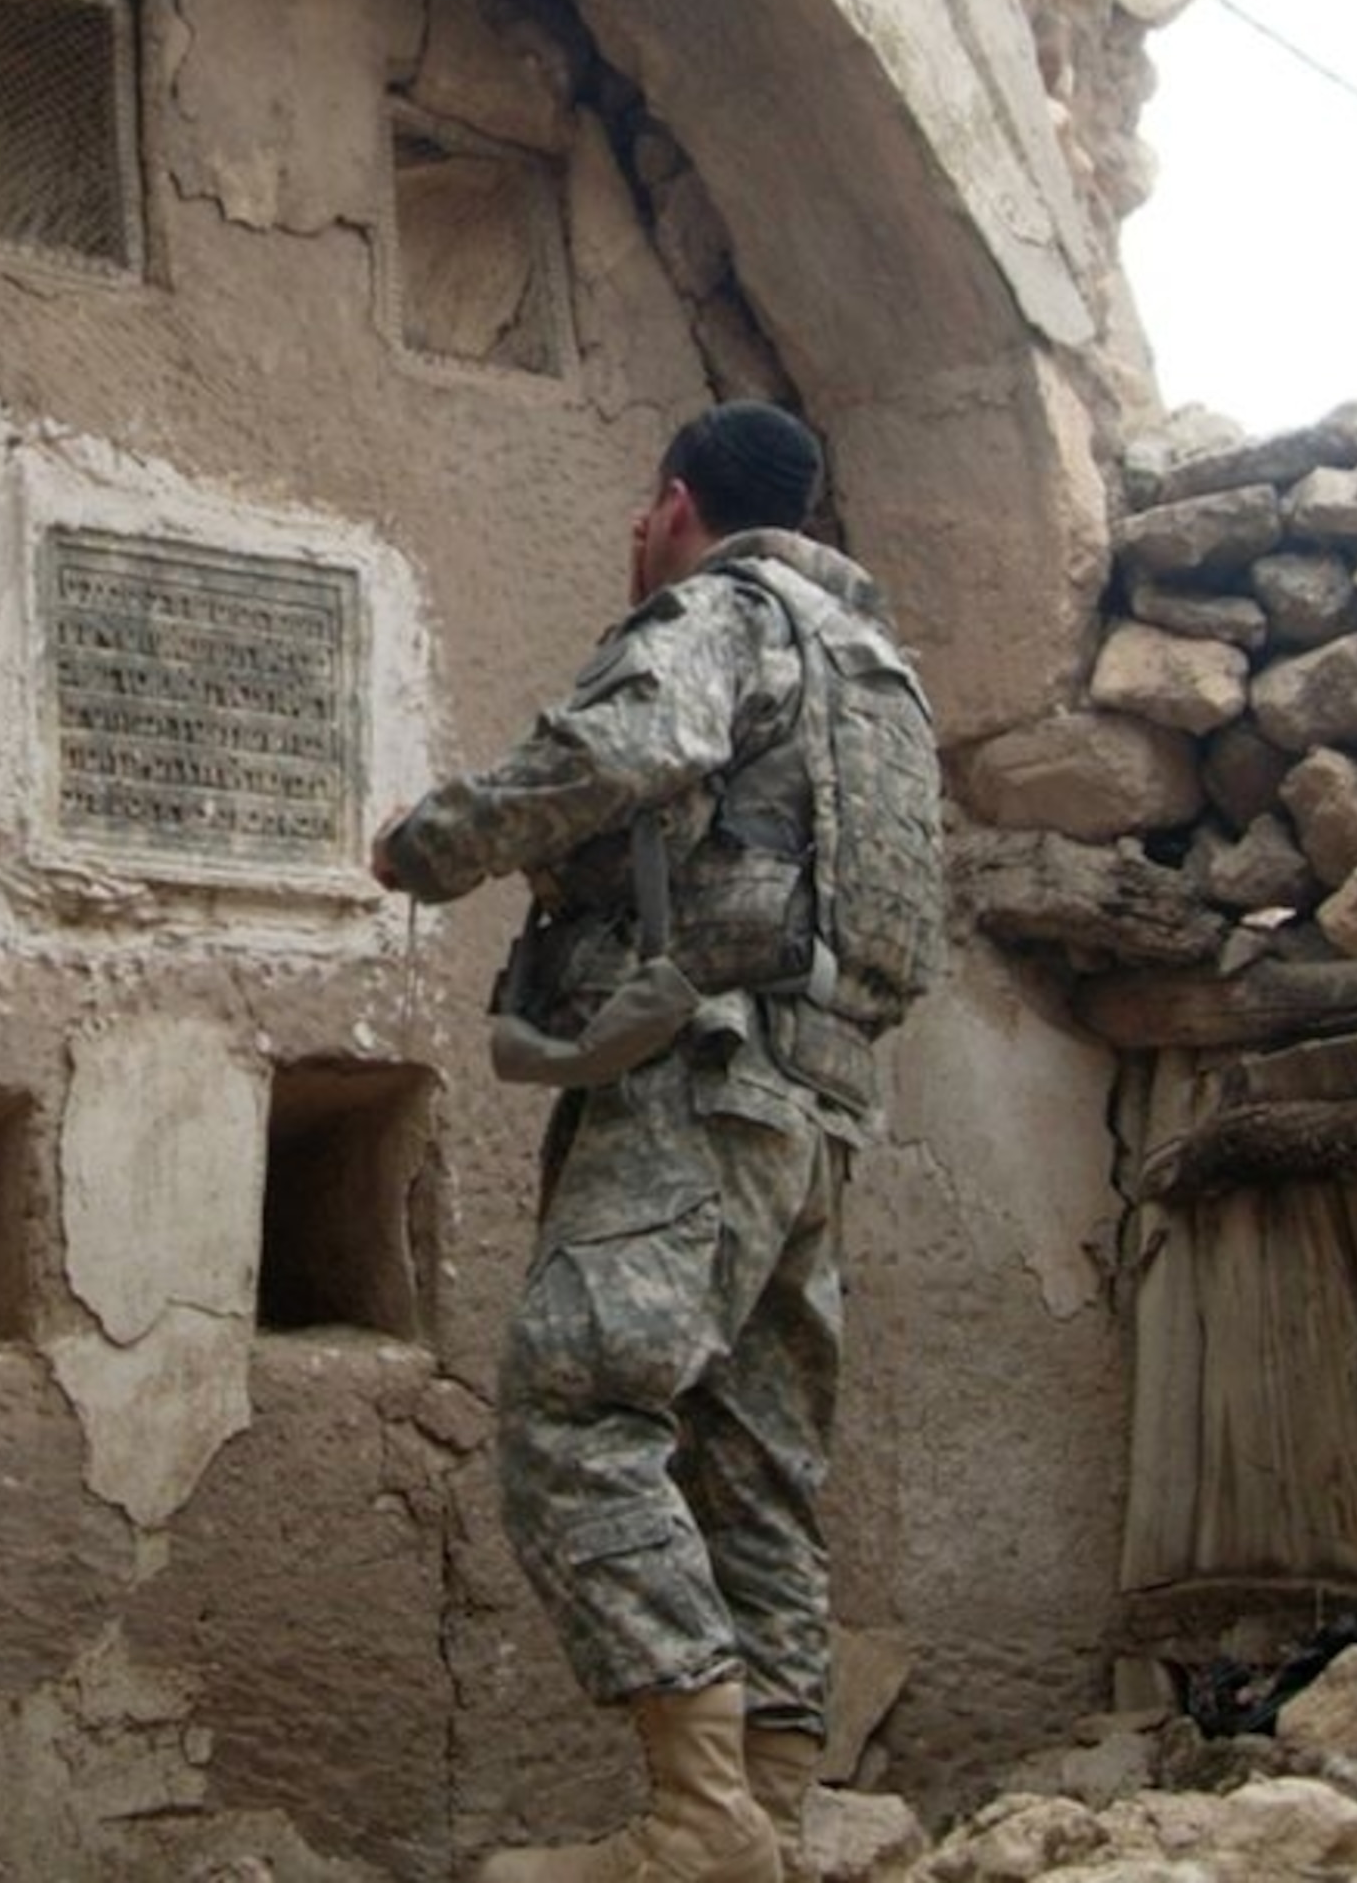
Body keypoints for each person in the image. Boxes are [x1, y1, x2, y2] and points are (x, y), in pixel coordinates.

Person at [369, 402, 945, 1883]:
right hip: (820, 1115)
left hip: (705, 1089)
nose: (635, 533)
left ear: (679, 504)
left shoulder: (723, 615)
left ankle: (699, 1826)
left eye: (644, 510)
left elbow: (634, 740)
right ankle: (773, 1814)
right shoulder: (876, 671)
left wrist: (435, 839)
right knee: (755, 1461)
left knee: (575, 1405)